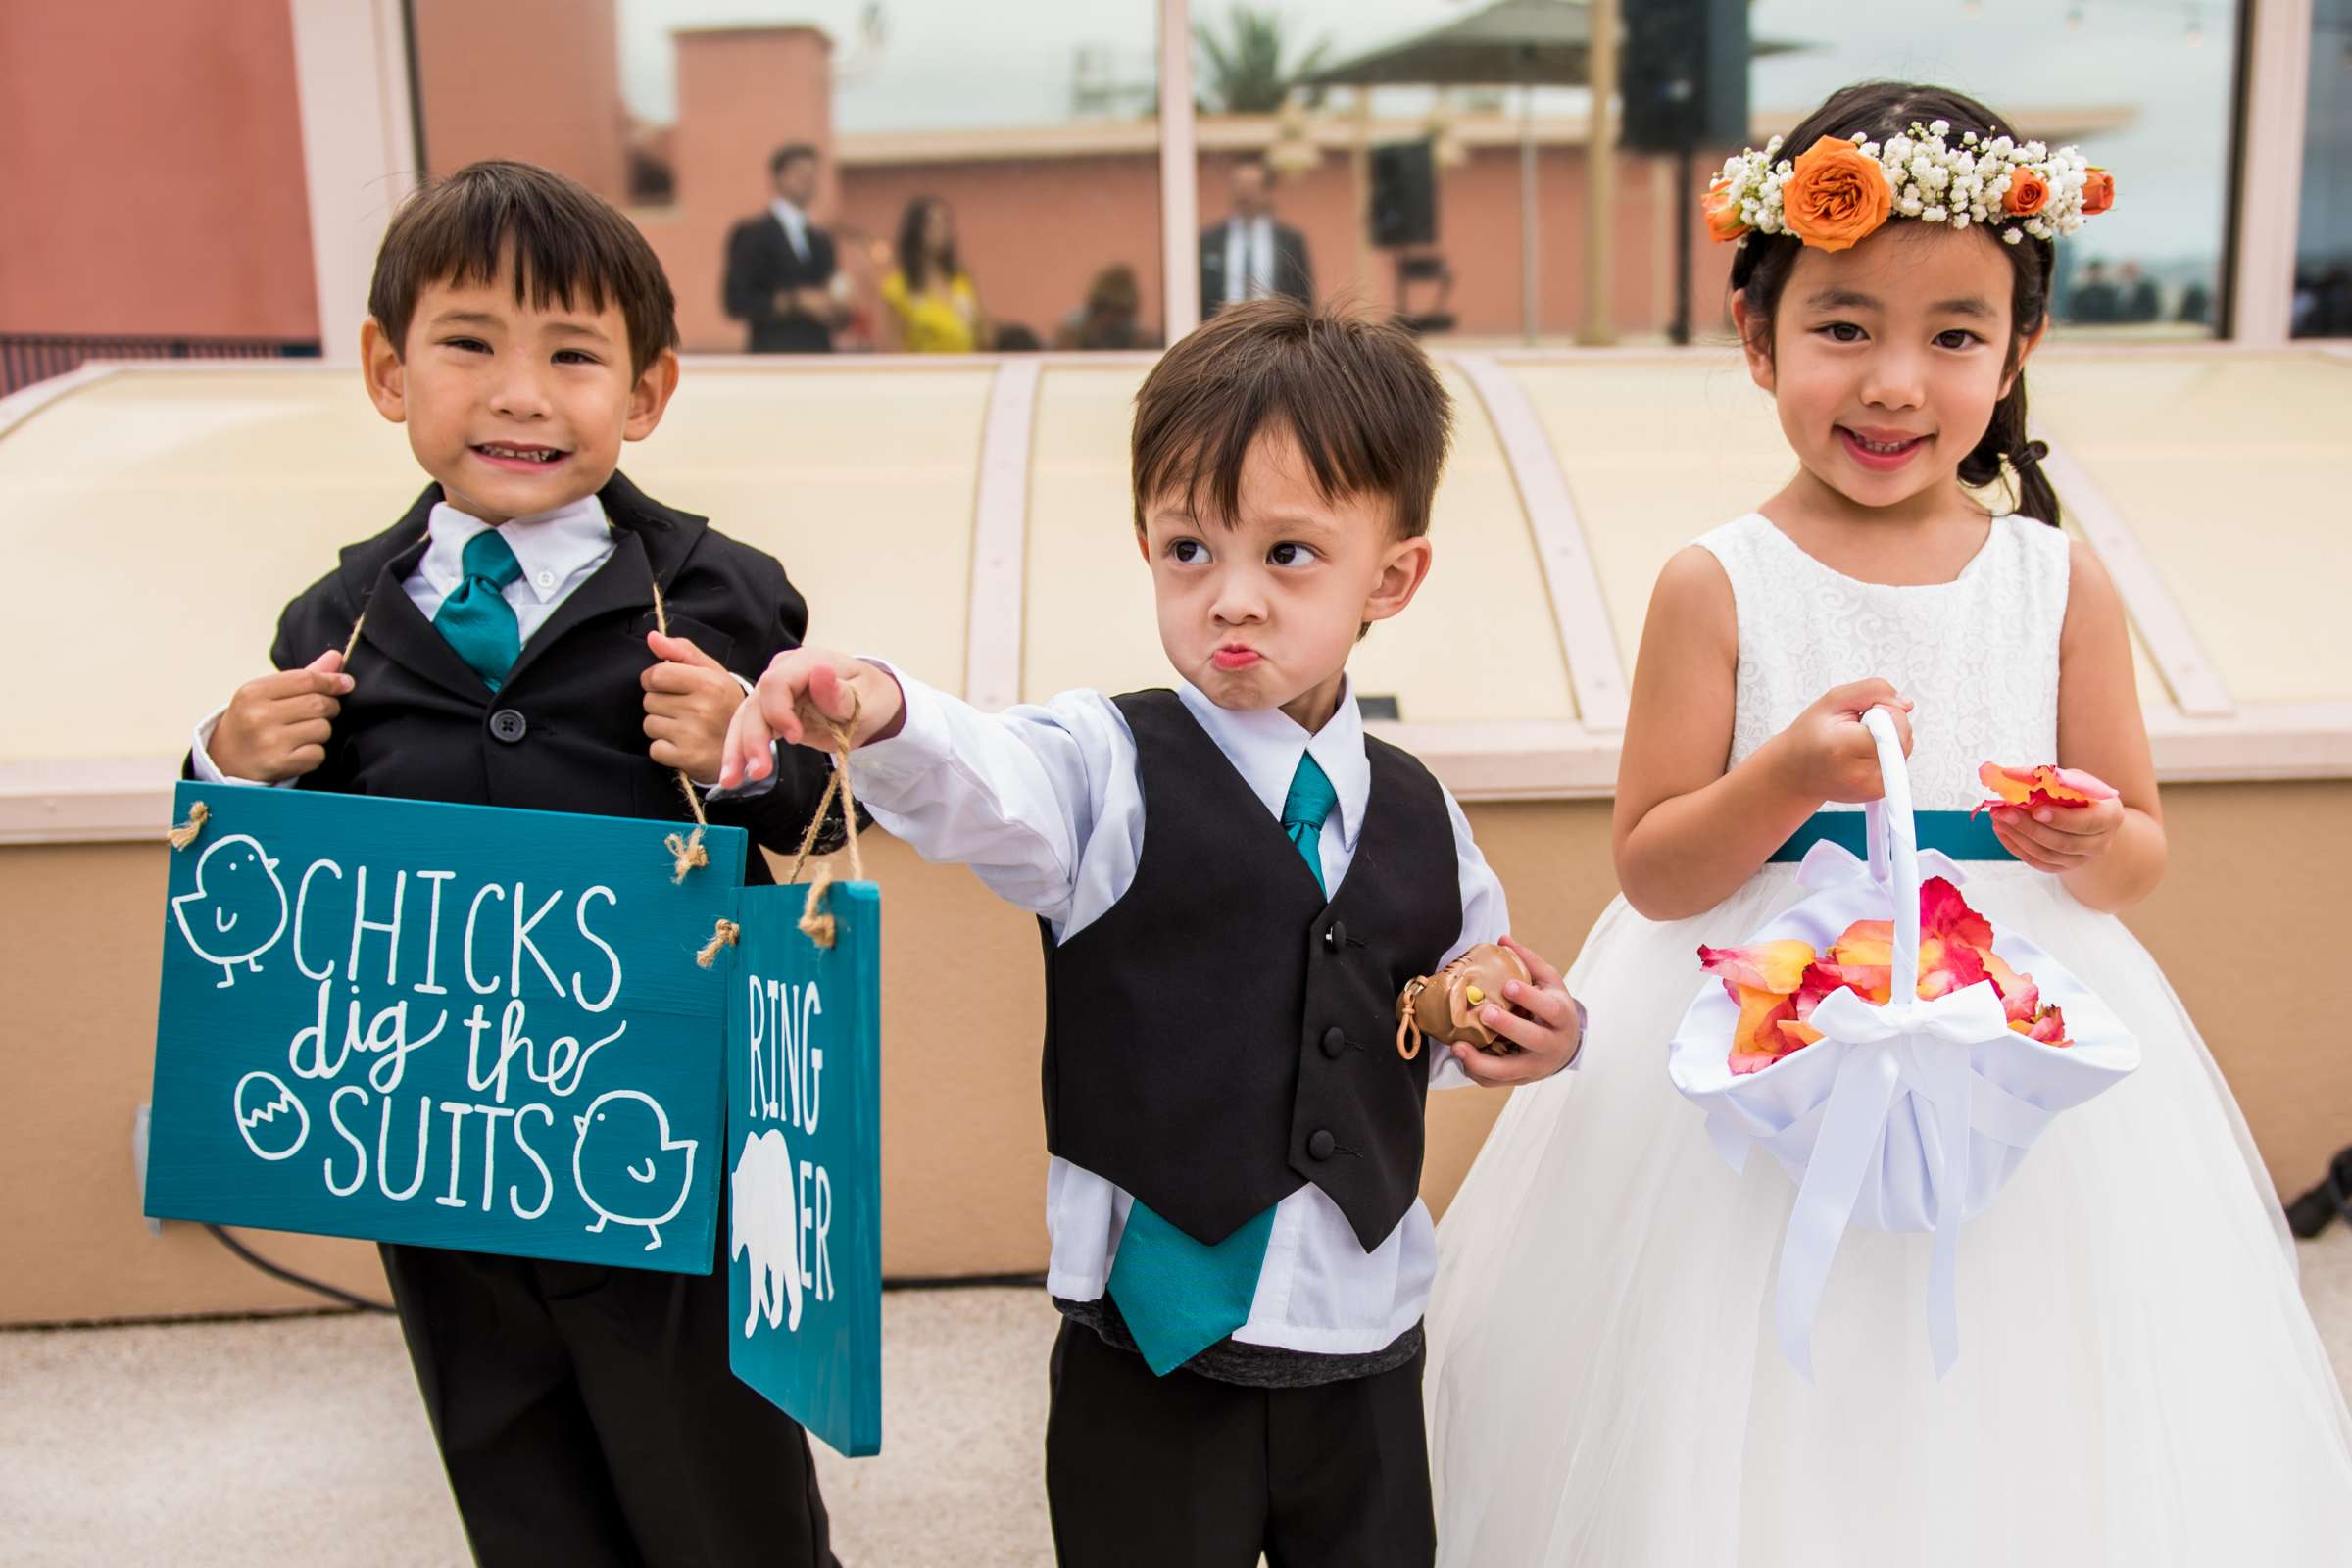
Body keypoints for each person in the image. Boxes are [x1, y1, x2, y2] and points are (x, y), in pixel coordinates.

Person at [1425, 82, 2352, 1565]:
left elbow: (2141, 851)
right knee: (1740, 1377)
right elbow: (1654, 870)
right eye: (1844, 327)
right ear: (1755, 335)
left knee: (2013, 1380)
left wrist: (2087, 840)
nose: (1894, 384)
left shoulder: (2055, 581)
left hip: (2015, 1023)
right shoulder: (1713, 582)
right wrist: (1787, 778)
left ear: (2021, 348)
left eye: (1954, 337)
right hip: (1743, 1038)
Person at [721, 298, 1588, 1567]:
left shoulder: (1422, 811)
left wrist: (1528, 1033)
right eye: (1190, 550)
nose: (1230, 601)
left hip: (1363, 1339)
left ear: (1390, 577)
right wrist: (876, 702)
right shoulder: (1105, 766)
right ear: (1145, 545)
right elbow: (983, 774)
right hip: (1154, 1356)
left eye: (1289, 555)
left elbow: (1438, 1008)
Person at [190, 160, 846, 1568]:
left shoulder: (725, 591)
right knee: (520, 1480)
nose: (521, 394)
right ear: (387, 369)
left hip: (665, 1143)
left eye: (573, 355)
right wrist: (222, 770)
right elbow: (285, 903)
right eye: (470, 344)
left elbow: (810, 830)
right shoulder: (337, 617)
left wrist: (750, 749)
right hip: (443, 1157)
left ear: (649, 391)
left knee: (719, 1487)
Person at [723, 143, 844, 353]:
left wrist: (839, 306)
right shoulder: (752, 234)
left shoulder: (821, 239)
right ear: (778, 177)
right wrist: (795, 301)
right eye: (798, 172)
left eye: (812, 173)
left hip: (820, 355)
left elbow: (834, 305)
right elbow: (736, 301)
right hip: (773, 355)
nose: (807, 180)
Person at [1199, 161, 1312, 316]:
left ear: (1267, 192)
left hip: (1273, 331)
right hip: (1220, 330)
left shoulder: (1290, 241)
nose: (1244, 193)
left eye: (1252, 186)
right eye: (1239, 185)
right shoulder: (1209, 240)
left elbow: (1304, 296)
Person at [878, 195, 987, 353]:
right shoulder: (898, 288)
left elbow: (984, 335)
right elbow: (894, 347)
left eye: (945, 223)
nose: (941, 231)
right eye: (933, 224)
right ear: (916, 230)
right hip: (925, 372)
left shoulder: (961, 280)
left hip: (967, 369)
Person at [1055, 263, 1154, 351]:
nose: (1113, 320)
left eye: (1121, 313)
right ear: (1097, 309)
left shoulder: (1138, 338)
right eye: (1109, 311)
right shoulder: (1072, 334)